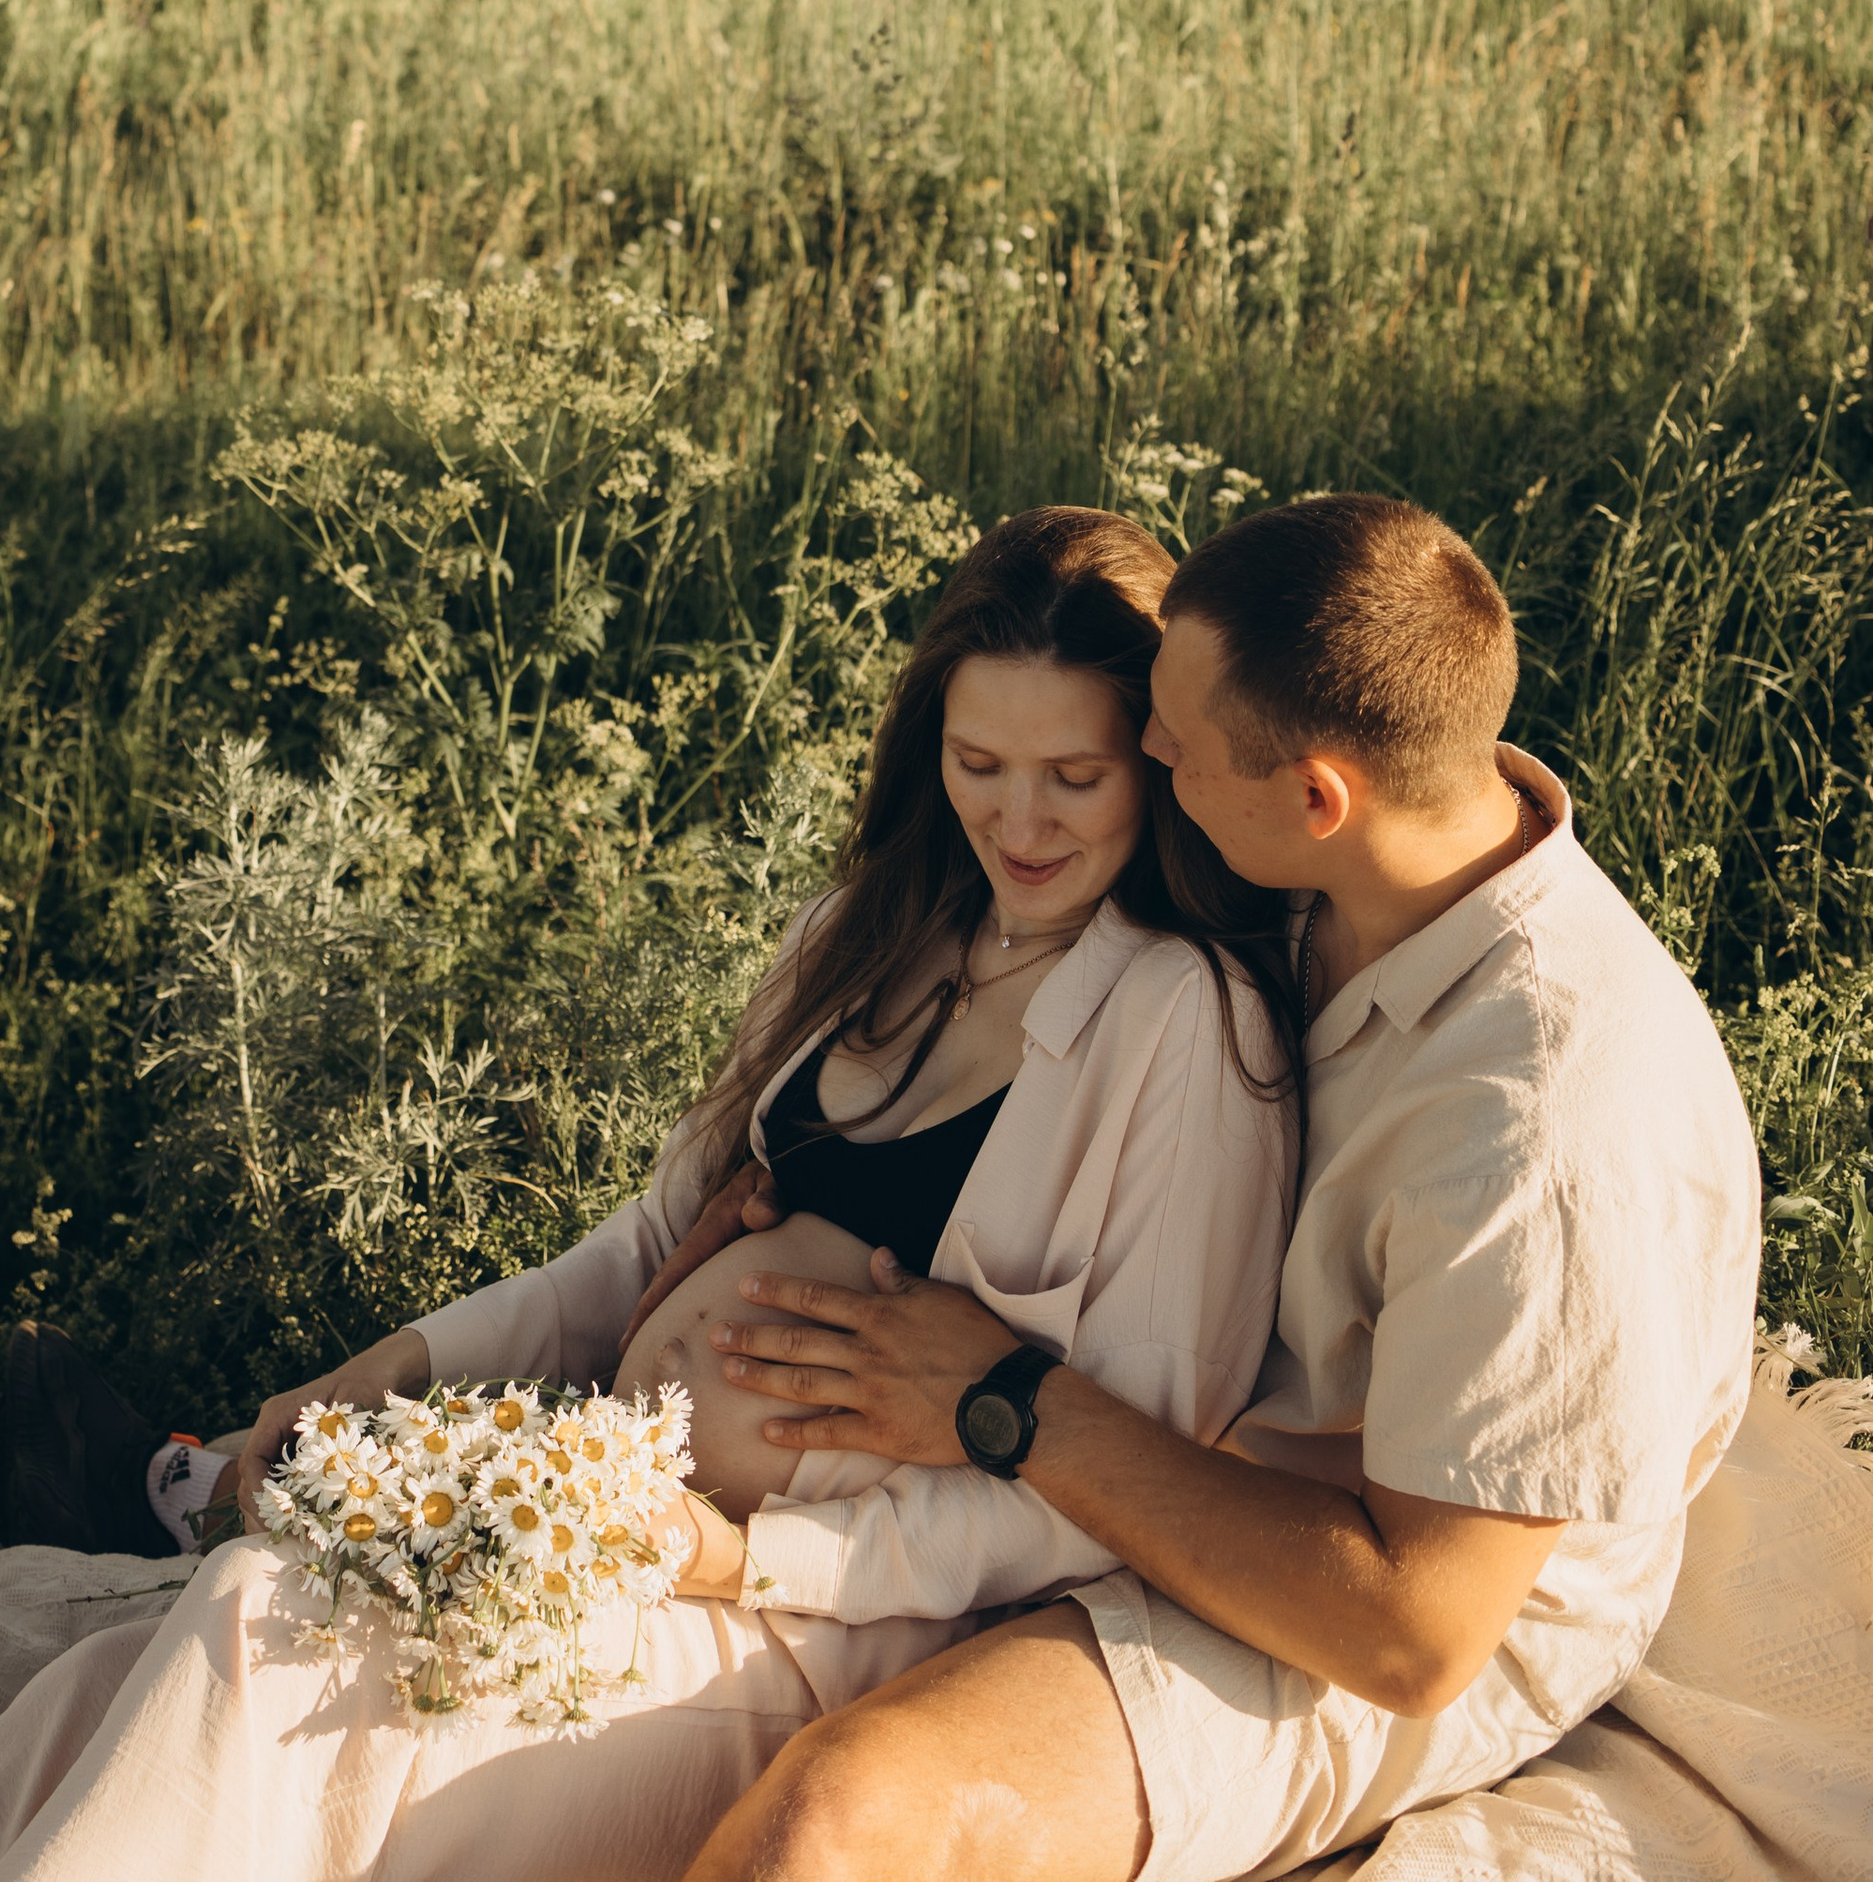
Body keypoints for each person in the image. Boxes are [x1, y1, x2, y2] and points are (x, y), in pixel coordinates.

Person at [0, 507, 1303, 1882]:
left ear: (1157, 762)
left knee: (263, 1628)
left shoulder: (1181, 1025)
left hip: (824, 1622)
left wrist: (749, 1556)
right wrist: (386, 1369)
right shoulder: (867, 931)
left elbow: (1128, 1483)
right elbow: (644, 1244)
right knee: (141, 1669)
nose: (1021, 822)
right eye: (980, 767)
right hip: (609, 1512)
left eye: (1074, 778)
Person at [678, 493, 1764, 1882]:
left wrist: (1005, 1402)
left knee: (840, 1822)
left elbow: (1415, 1634)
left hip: (1369, 1597)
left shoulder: (1546, 1122)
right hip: (1174, 1452)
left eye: (1175, 744)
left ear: (1317, 797)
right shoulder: (1334, 874)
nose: (1146, 748)